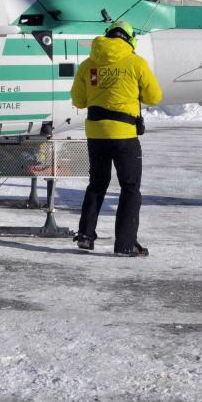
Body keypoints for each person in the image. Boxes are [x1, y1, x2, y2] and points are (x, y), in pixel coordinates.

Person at [71, 20, 162, 257]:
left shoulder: (88, 65)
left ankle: (85, 236)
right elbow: (154, 97)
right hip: (124, 134)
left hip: (96, 133)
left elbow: (79, 101)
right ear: (130, 40)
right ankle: (125, 244)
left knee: (97, 183)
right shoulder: (135, 63)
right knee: (130, 187)